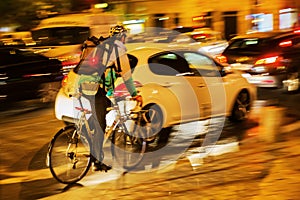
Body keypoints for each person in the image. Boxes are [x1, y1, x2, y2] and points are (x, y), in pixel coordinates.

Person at [77, 25, 143, 172]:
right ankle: (97, 162)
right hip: (94, 89)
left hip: (82, 85)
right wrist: (134, 94)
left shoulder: (103, 46)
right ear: (123, 37)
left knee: (105, 104)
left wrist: (110, 90)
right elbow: (127, 77)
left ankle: (86, 128)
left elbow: (107, 73)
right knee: (101, 126)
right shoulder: (118, 49)